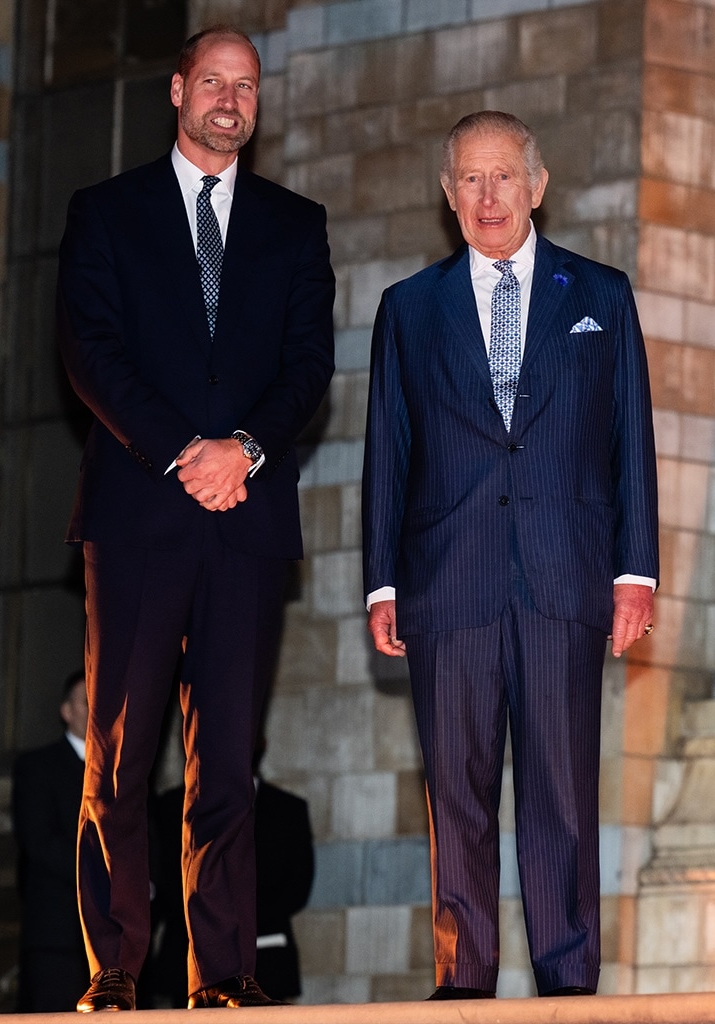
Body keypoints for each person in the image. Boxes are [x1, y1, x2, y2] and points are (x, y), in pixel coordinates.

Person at [56, 24, 335, 1012]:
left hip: (247, 522)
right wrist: (185, 450)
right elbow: (91, 353)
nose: (230, 99)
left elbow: (308, 366)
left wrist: (243, 450)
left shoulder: (297, 227)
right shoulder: (107, 212)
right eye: (212, 81)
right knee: (122, 757)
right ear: (177, 90)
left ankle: (222, 972)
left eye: (246, 85)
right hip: (138, 512)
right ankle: (118, 966)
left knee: (227, 761)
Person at [362, 110, 658, 1001]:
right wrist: (382, 581)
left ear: (536, 186)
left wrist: (633, 570)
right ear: (447, 196)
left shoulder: (599, 298)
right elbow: (389, 451)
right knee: (453, 793)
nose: (488, 197)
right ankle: (464, 980)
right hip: (447, 582)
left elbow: (628, 441)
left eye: (503, 177)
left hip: (563, 576)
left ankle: (568, 979)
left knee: (563, 792)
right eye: (469, 180)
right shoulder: (408, 309)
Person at [148, 738, 315, 1006]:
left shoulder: (287, 809)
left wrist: (237, 922)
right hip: (186, 955)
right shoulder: (169, 806)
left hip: (266, 955)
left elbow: (297, 886)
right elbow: (162, 878)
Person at [12, 670, 89, 1012]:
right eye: (86, 703)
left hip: (118, 941)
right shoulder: (38, 767)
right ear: (66, 711)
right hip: (59, 934)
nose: (95, 710)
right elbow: (40, 841)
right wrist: (101, 877)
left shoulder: (125, 770)